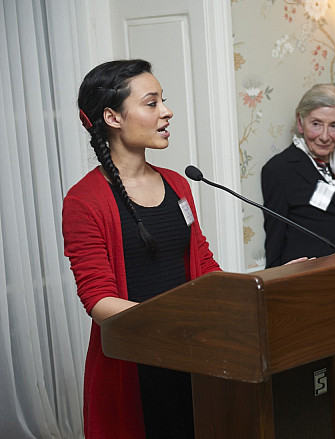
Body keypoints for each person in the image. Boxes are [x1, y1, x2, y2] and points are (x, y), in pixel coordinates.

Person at [62, 60, 221, 439]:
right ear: (113, 117)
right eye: (152, 103)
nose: (166, 111)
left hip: (194, 357)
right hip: (134, 366)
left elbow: (203, 265)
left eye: (163, 101)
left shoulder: (178, 185)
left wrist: (258, 286)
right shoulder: (84, 201)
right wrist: (173, 325)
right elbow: (99, 301)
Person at [261, 84, 335, 418]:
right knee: (317, 388)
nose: (325, 135)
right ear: (300, 123)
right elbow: (276, 237)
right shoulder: (279, 170)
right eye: (317, 124)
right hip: (310, 290)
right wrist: (275, 290)